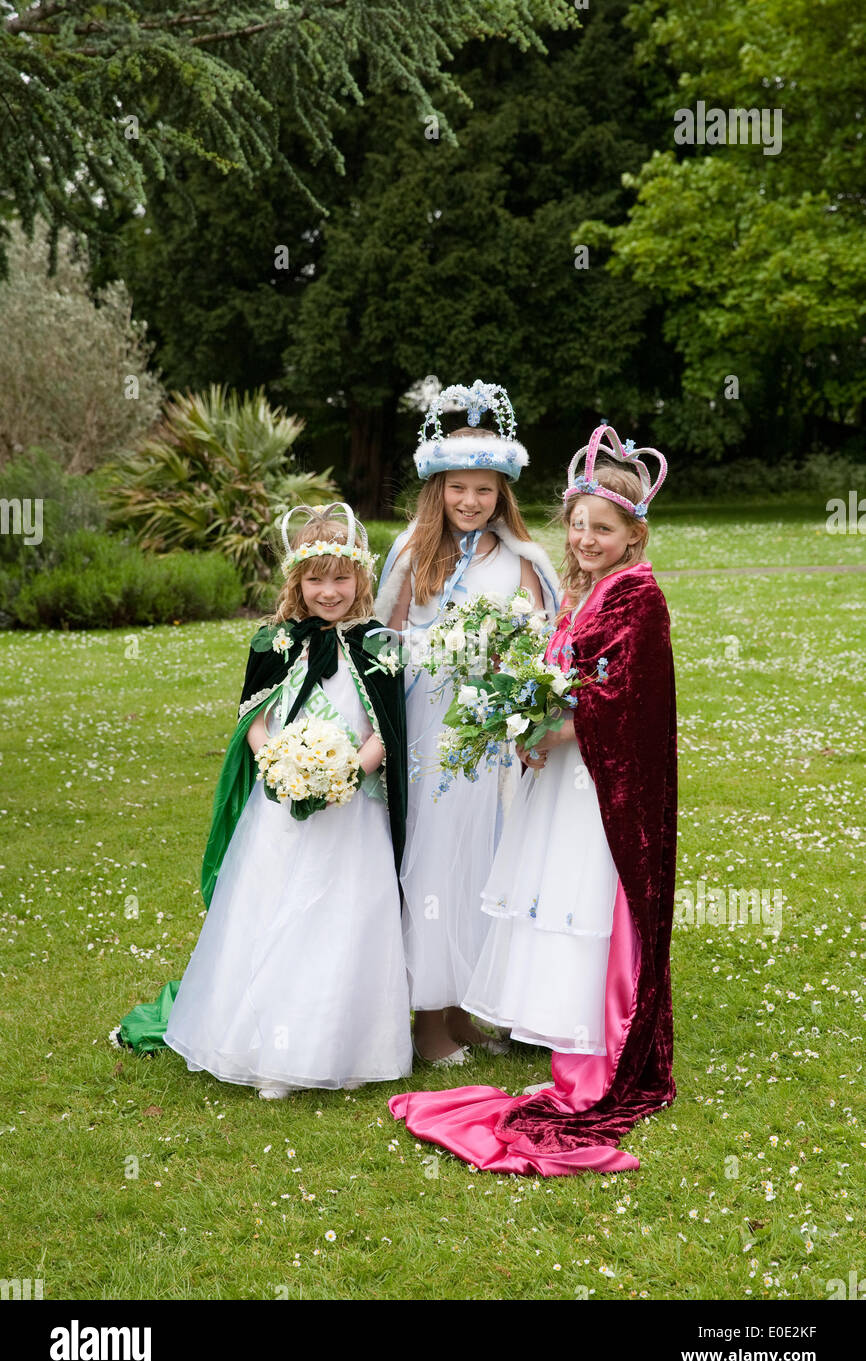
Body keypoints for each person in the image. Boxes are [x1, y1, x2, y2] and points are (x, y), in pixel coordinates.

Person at [389, 424, 678, 1172]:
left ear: (632, 536)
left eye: (603, 529)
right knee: (555, 895)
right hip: (559, 776)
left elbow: (623, 696)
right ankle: (554, 1020)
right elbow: (560, 670)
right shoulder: (587, 591)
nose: (585, 538)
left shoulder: (636, 596)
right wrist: (529, 715)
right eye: (578, 524)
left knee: (584, 897)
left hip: (594, 784)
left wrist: (560, 724)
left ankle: (597, 1032)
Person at [114, 504, 412, 1096]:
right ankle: (264, 1045)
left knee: (344, 917)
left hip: (354, 809)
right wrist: (278, 761)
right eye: (315, 579)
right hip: (281, 805)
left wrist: (349, 772)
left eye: (341, 578)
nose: (329, 592)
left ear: (361, 578)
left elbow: (387, 729)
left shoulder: (381, 644)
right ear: (296, 581)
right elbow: (254, 716)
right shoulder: (274, 641)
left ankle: (341, 1048)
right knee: (274, 908)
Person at [375, 380, 561, 1064]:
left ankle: (464, 1005)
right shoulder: (410, 552)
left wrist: (519, 702)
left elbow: (543, 647)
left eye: (484, 490)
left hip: (488, 733)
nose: (470, 501)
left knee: (484, 860)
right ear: (438, 488)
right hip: (428, 729)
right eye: (458, 488)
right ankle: (426, 1017)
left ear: (502, 492)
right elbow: (383, 642)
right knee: (431, 859)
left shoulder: (522, 560)